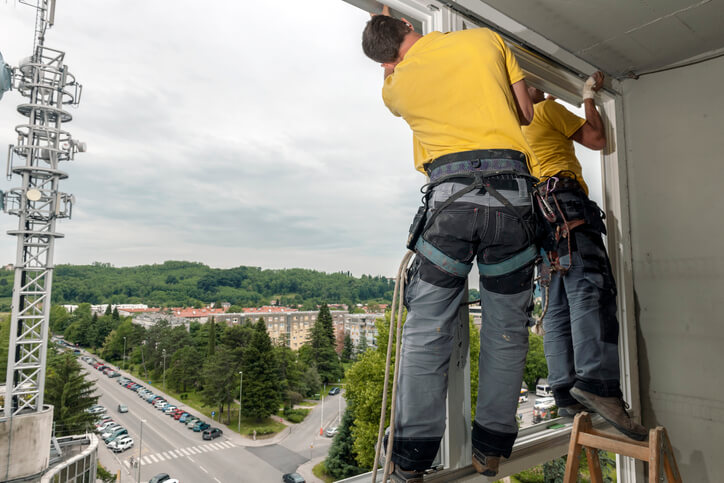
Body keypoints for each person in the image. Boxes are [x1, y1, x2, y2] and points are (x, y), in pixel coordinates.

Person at [362, 13, 539, 481]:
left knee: (427, 331)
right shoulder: (486, 40)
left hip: (450, 203)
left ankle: (411, 461)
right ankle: (490, 451)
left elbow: (395, 75)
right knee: (507, 330)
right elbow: (526, 115)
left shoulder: (394, 91)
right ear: (405, 21)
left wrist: (392, 69)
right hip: (513, 200)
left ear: (386, 61)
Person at [522, 73, 648, 441]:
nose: (538, 85)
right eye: (531, 80)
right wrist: (588, 97)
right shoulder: (545, 110)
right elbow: (596, 138)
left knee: (559, 302)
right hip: (566, 207)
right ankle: (600, 387)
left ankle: (564, 389)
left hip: (542, 219)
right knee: (592, 292)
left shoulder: (512, 130)